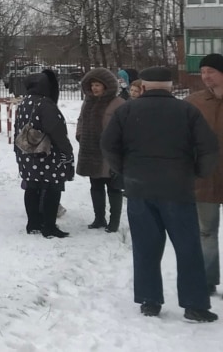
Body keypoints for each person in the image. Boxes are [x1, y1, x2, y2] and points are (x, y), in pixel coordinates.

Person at [103, 66, 219, 322]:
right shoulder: (188, 111)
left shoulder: (126, 111)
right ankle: (194, 305)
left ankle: (149, 300)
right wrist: (198, 172)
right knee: (188, 248)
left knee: (145, 248)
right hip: (178, 190)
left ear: (142, 87)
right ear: (172, 87)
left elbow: (108, 145)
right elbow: (209, 148)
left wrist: (125, 171)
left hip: (139, 190)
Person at [13, 69, 74, 238]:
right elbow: (56, 130)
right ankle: (49, 226)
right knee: (52, 187)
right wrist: (67, 151)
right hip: (46, 153)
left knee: (32, 187)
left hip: (26, 152)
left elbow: (17, 127)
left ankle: (33, 223)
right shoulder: (44, 104)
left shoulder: (25, 102)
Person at [184, 54, 223, 301]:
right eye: (203, 71)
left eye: (211, 70)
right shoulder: (193, 103)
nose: (206, 76)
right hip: (205, 178)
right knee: (206, 232)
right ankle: (208, 280)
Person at [75, 68, 125, 231]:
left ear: (106, 86)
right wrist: (80, 134)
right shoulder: (88, 102)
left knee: (113, 187)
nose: (95, 88)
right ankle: (99, 218)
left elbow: (125, 127)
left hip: (110, 153)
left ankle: (114, 221)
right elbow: (81, 120)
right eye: (92, 85)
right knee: (95, 185)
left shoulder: (118, 103)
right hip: (91, 151)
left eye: (98, 85)